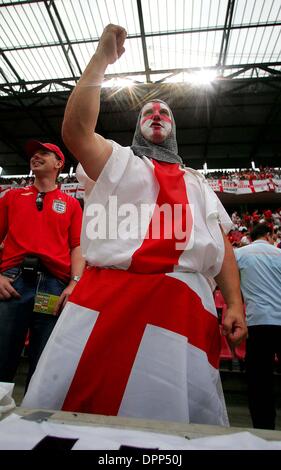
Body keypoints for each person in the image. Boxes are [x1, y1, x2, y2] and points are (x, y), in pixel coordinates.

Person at [22, 25, 247, 425]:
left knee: (177, 428)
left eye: (164, 113)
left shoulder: (199, 182)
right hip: (111, 301)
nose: (157, 115)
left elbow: (222, 246)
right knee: (80, 418)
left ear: (174, 129)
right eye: (148, 111)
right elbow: (75, 131)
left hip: (184, 310)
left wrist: (233, 304)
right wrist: (102, 59)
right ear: (137, 127)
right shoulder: (119, 159)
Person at [0, 140, 84, 387]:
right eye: (33, 155)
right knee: (3, 355)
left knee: (44, 358)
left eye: (43, 154)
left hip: (53, 286)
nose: (35, 157)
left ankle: (36, 419)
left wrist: (74, 283)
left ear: (59, 164)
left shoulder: (71, 204)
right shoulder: (12, 197)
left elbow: (77, 247)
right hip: (12, 283)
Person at [235, 223, 281, 429]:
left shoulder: (240, 254)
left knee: (260, 382)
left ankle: (264, 428)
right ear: (270, 235)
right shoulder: (278, 254)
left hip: (259, 323)